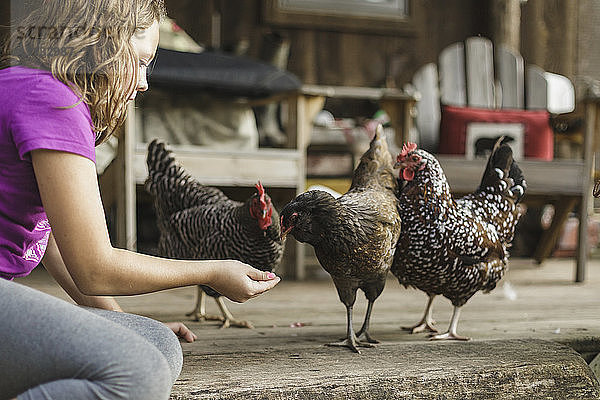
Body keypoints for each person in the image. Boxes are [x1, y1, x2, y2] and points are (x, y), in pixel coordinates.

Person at [0, 1, 280, 399]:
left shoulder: (26, 84)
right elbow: (96, 268)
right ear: (102, 45)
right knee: (139, 374)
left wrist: (116, 324)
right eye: (140, 61)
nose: (145, 81)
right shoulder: (53, 101)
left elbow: (56, 243)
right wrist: (209, 271)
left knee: (156, 343)